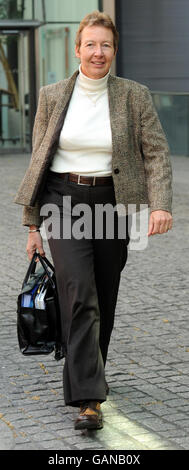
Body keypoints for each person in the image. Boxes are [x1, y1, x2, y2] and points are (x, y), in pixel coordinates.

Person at [14, 10, 173, 431]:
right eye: (91, 44)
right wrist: (33, 226)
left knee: (102, 294)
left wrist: (160, 204)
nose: (97, 52)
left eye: (105, 45)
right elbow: (38, 163)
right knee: (79, 291)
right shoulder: (52, 96)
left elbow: (155, 152)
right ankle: (88, 398)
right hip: (63, 201)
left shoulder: (133, 95)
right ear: (77, 48)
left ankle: (89, 365)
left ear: (114, 50)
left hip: (112, 204)